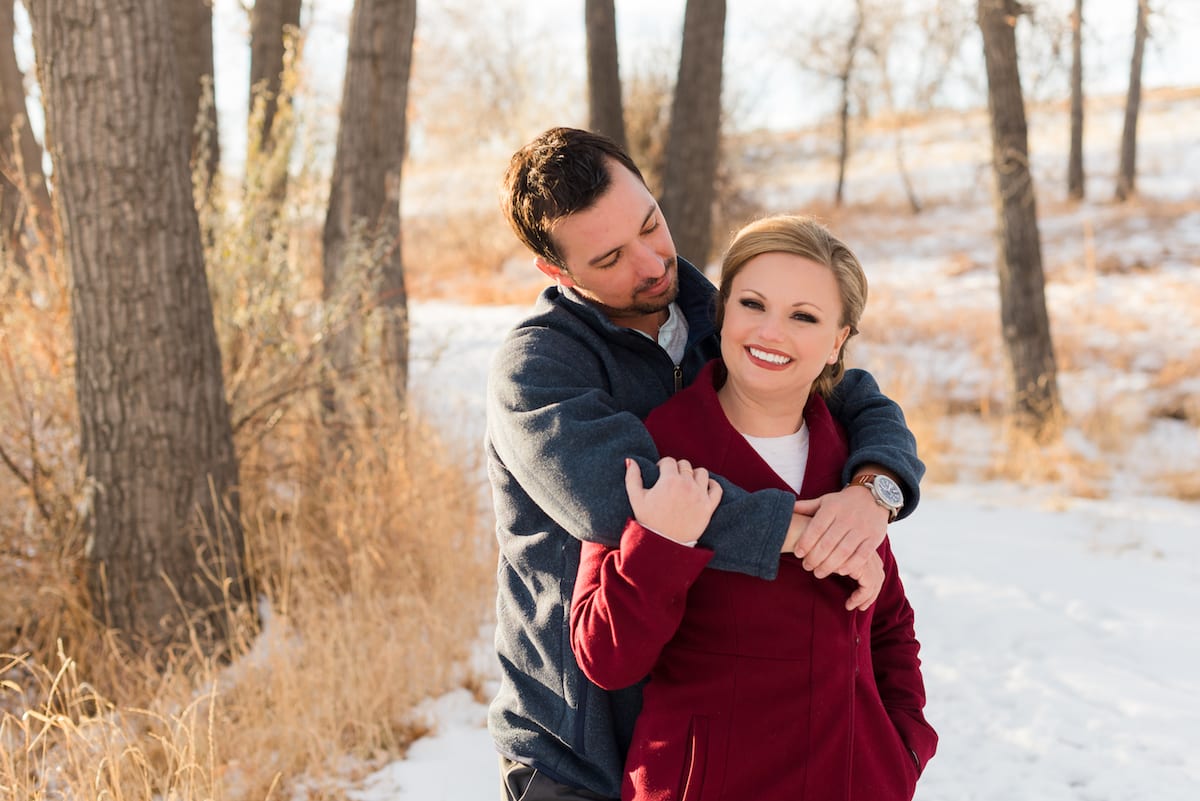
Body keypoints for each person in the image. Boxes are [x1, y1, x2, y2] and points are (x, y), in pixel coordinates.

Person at [487, 127, 924, 801]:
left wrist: (873, 492)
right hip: (576, 746)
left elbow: (854, 395)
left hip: (700, 729)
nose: (651, 262)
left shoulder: (721, 312)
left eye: (650, 224)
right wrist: (813, 535)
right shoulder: (539, 369)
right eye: (609, 257)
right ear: (559, 271)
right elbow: (632, 499)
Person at [570, 214, 937, 801]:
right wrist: (663, 543)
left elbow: (889, 625)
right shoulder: (660, 447)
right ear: (723, 312)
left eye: (804, 317)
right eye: (753, 304)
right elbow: (604, 656)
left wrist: (902, 747)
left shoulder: (849, 458)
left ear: (838, 339)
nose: (771, 333)